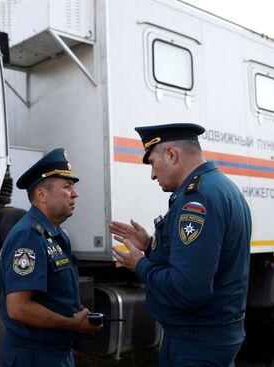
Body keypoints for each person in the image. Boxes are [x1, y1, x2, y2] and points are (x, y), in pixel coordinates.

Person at [110, 123, 252, 367]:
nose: (153, 174)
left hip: (195, 341)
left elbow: (188, 288)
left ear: (172, 155)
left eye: (153, 163)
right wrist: (150, 246)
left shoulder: (197, 199)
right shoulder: (222, 187)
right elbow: (199, 258)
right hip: (214, 335)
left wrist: (141, 265)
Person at [0, 148, 102, 367]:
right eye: (67, 186)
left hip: (55, 353)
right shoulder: (29, 236)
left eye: (73, 187)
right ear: (42, 195)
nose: (75, 194)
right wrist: (71, 324)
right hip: (34, 357)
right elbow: (18, 308)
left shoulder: (56, 234)